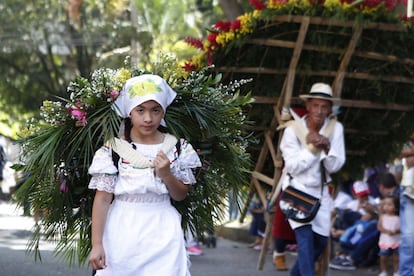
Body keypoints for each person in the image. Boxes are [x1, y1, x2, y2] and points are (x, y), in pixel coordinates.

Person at [88, 74, 202, 276]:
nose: (148, 118)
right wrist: (97, 244)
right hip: (122, 229)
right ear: (129, 112)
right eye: (140, 110)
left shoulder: (177, 147)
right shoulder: (114, 150)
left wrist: (166, 174)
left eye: (155, 110)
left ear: (163, 111)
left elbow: (180, 195)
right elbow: (103, 198)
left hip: (163, 230)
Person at [279, 82, 346, 276]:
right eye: (315, 105)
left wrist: (326, 147)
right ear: (307, 106)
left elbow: (335, 166)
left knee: (320, 242)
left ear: (330, 109)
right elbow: (292, 166)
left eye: (324, 106)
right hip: (296, 191)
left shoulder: (336, 129)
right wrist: (311, 148)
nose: (319, 110)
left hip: (321, 193)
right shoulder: (293, 130)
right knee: (305, 241)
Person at [329, 205, 379, 271]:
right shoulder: (358, 219)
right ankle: (344, 255)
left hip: (360, 240)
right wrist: (333, 228)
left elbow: (358, 236)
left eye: (367, 214)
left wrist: (374, 211)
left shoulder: (372, 222)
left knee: (371, 228)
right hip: (349, 237)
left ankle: (351, 258)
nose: (364, 215)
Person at [399, 135, 414, 276]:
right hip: (409, 191)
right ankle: (406, 273)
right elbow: (403, 153)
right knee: (409, 238)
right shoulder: (407, 142)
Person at [377, 195, 400, 276]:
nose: (386, 207)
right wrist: (387, 231)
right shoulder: (382, 217)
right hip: (385, 241)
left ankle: (396, 271)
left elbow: (402, 229)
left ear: (396, 207)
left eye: (389, 204)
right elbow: (379, 227)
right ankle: (383, 271)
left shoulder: (398, 218)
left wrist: (396, 231)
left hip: (396, 241)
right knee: (383, 257)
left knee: (396, 258)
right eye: (385, 204)